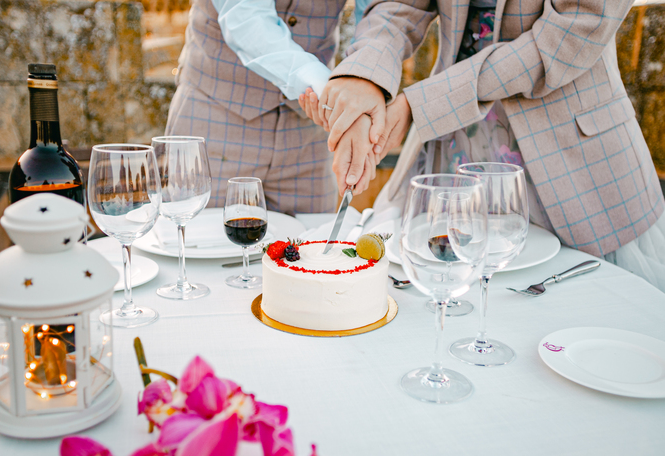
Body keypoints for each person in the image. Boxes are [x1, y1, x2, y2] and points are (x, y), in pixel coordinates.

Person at [301, 0, 665, 291]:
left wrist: (423, 104)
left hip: (575, 168)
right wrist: (362, 78)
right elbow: (398, 7)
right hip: (454, 153)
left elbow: (571, 35)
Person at [165, 0, 381, 215]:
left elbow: (378, 11)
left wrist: (361, 85)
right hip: (214, 114)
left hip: (308, 133)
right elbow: (245, 16)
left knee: (308, 244)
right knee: (198, 241)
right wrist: (341, 99)